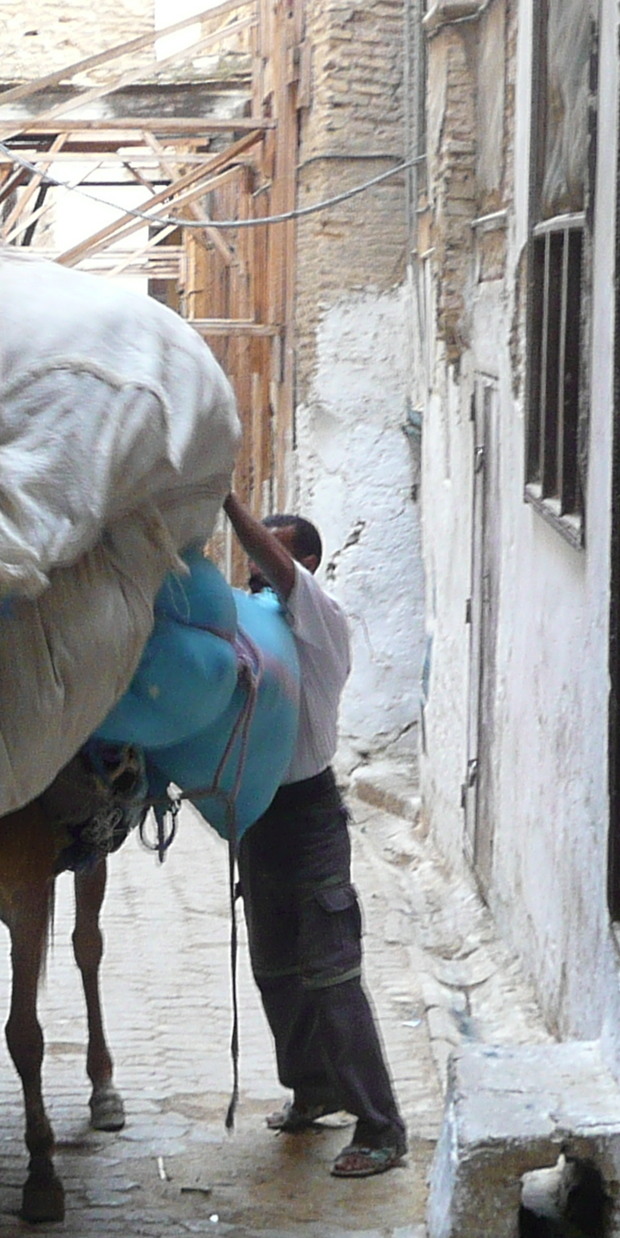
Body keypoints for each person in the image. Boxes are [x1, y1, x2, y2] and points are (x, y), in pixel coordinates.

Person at [222, 494, 408, 1177]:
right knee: (275, 969)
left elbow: (270, 562)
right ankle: (313, 1091)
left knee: (332, 974)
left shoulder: (321, 618)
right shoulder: (255, 627)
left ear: (307, 564)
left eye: (273, 556)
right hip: (258, 816)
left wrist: (223, 498)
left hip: (309, 813)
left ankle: (382, 1126)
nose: (256, 570)